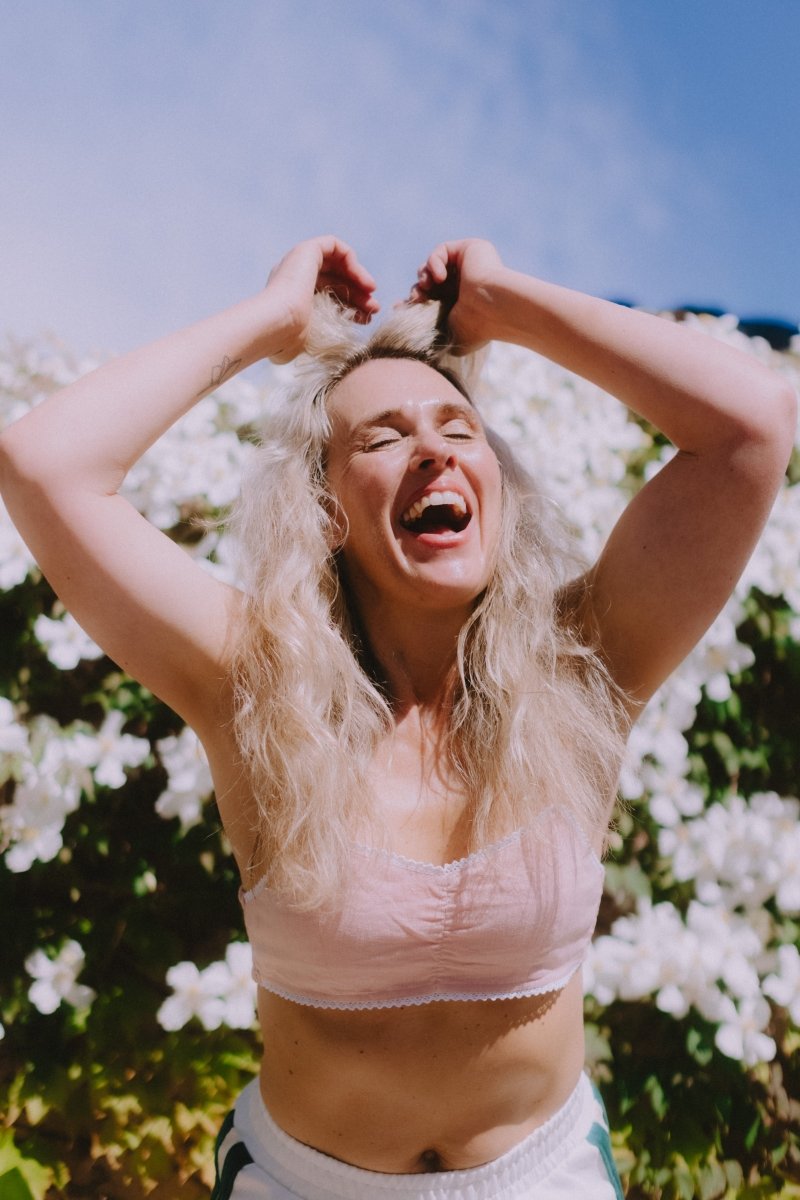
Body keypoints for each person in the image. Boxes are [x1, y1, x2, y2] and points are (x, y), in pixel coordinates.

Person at [0, 235, 794, 1199]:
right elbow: (43, 463)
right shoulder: (254, 683)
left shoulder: (585, 666)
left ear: (496, 482)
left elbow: (753, 423)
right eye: (379, 439)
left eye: (460, 431)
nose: (430, 450)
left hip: (541, 1178)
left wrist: (502, 303)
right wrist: (274, 323)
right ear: (324, 510)